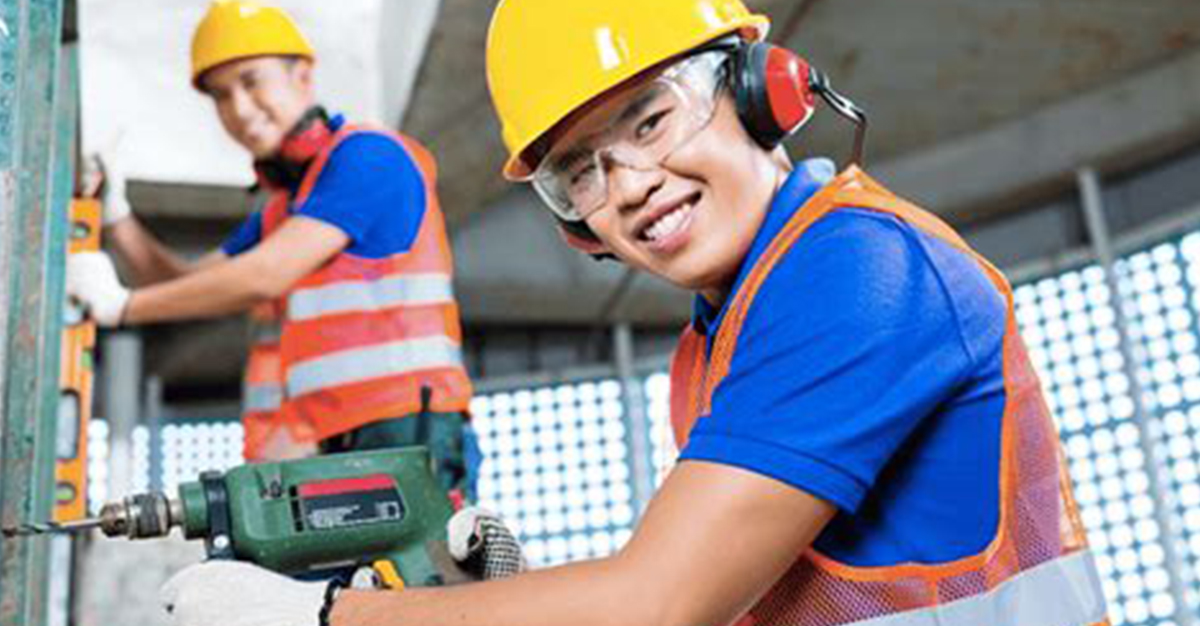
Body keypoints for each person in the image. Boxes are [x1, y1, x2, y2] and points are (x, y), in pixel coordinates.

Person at [158, 1, 1110, 625]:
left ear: (758, 91)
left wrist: (326, 615)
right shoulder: (723, 331)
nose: (632, 184)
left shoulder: (856, 270)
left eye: (651, 121)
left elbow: (656, 604)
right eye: (581, 172)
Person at [67, 0, 476, 497]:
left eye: (251, 80)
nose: (239, 109)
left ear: (301, 74)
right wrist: (117, 218)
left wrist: (124, 308)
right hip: (331, 444)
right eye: (220, 95)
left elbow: (264, 275)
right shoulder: (285, 211)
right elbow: (185, 284)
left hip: (407, 432)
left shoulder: (370, 156)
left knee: (419, 574)